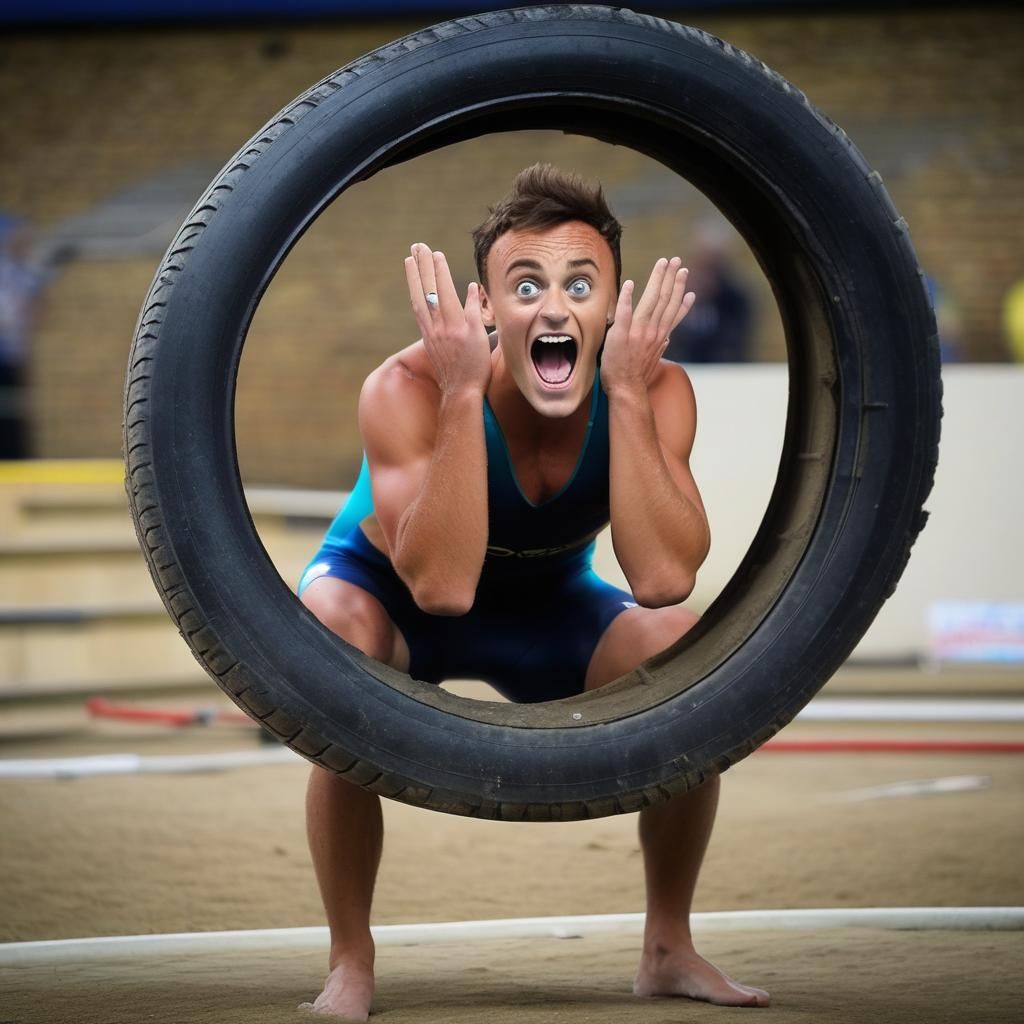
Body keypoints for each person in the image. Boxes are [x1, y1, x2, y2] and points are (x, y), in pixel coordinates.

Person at [298, 165, 769, 1019]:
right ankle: (350, 960)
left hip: (547, 606)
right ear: (483, 307)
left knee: (682, 652)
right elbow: (441, 587)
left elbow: (664, 580)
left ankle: (668, 946)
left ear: (613, 307)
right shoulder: (406, 387)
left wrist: (625, 392)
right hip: (394, 599)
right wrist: (461, 392)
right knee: (335, 641)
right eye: (527, 287)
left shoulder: (656, 387)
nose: (555, 309)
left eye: (580, 286)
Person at [664, 218, 753, 364]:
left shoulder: (735, 297)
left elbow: (737, 340)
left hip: (720, 368)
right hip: (680, 364)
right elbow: (669, 339)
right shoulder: (677, 288)